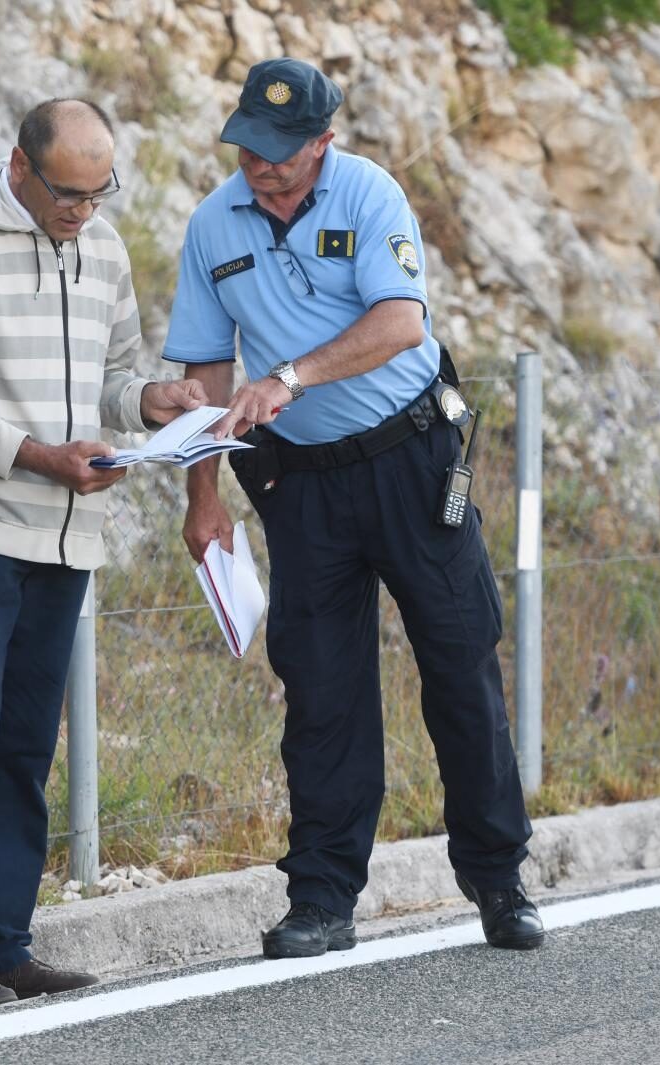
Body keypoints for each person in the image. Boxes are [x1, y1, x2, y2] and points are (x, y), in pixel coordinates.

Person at [163, 59, 546, 958]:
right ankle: (324, 898)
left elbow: (400, 322)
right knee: (322, 688)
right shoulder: (213, 224)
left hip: (408, 461)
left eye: (282, 156)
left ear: (323, 144)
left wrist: (290, 376)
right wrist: (204, 494)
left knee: (459, 665)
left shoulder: (371, 194)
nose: (263, 169)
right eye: (249, 150)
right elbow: (206, 370)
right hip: (302, 483)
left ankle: (499, 880)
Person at [0, 98, 206, 1011]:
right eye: (67, 192)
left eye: (99, 190)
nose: (84, 209)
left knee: (26, 750)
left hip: (68, 542)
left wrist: (152, 402)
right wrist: (41, 457)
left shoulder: (103, 247)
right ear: (20, 168)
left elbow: (112, 380)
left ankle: (6, 943)